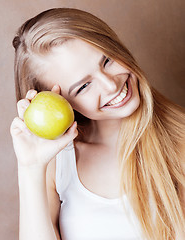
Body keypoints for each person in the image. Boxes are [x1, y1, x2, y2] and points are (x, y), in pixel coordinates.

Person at [10, 8, 185, 240]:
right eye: (83, 87)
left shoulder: (179, 142)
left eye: (107, 60)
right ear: (61, 102)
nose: (110, 85)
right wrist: (30, 168)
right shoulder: (58, 163)